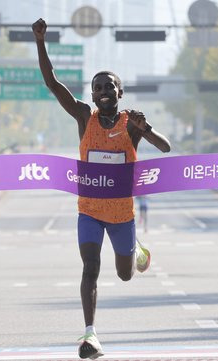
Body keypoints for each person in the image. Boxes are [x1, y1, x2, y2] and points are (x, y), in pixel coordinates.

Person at [32, 18, 171, 360]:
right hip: (89, 211)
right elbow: (52, 82)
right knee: (90, 267)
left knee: (125, 275)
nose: (104, 90)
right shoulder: (84, 117)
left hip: (122, 214)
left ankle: (136, 250)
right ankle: (90, 336)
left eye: (110, 85)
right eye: (98, 87)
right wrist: (40, 41)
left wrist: (146, 128)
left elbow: (166, 148)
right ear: (92, 95)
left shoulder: (131, 123)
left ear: (120, 92)